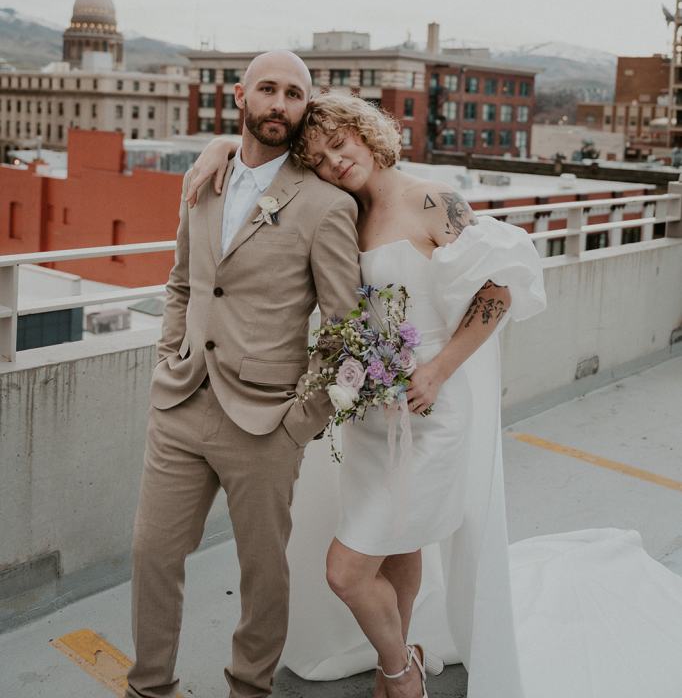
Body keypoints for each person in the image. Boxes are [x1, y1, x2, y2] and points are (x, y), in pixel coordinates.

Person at [193, 91, 682, 698]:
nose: (333, 163)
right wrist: (221, 144)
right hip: (372, 416)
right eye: (317, 158)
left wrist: (439, 371)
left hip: (432, 410)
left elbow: (501, 286)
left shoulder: (431, 200)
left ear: (366, 135)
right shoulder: (345, 211)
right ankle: (402, 651)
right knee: (398, 549)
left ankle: (400, 674)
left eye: (339, 144)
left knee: (346, 571)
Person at [125, 53, 361, 698]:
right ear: (241, 97)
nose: (279, 102)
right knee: (152, 554)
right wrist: (167, 358)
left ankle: (248, 688)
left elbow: (346, 331)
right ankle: (150, 687)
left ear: (304, 107)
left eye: (293, 93)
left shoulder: (326, 206)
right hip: (180, 403)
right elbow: (181, 283)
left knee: (262, 572)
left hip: (265, 420)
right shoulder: (203, 180)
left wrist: (299, 423)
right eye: (268, 89)